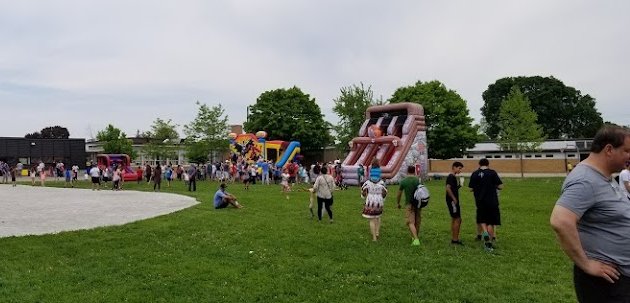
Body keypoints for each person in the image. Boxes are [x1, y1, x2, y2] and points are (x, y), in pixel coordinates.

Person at [550, 126, 630, 302]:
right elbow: (560, 221)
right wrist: (586, 264)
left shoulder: (604, 176)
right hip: (607, 283)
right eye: (627, 151)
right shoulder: (585, 180)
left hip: (618, 279)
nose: (629, 156)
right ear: (609, 149)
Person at [468, 158, 503, 252]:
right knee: (491, 221)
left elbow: (470, 188)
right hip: (492, 201)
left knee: (482, 219)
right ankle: (489, 243)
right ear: (488, 164)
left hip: (479, 201)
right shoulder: (492, 173)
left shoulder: (475, 173)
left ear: (479, 164)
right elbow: (500, 186)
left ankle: (485, 233)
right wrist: (492, 185)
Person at [361, 163, 387, 241]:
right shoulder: (382, 183)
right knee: (378, 217)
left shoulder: (367, 182)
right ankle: (377, 232)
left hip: (370, 201)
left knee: (372, 219)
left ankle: (374, 238)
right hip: (379, 202)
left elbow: (363, 192)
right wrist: (382, 198)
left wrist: (364, 195)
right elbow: (385, 193)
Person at [397, 165, 421, 246]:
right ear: (414, 171)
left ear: (407, 171)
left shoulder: (404, 181)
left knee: (410, 222)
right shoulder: (418, 180)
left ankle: (416, 239)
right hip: (418, 203)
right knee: (417, 221)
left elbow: (399, 194)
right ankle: (414, 236)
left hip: (409, 204)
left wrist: (398, 203)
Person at [446, 161, 464, 245]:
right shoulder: (451, 176)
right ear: (454, 167)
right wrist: (454, 198)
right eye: (459, 168)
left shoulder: (453, 177)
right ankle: (455, 240)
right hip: (452, 201)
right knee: (458, 219)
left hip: (453, 200)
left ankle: (454, 238)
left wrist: (459, 185)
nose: (460, 170)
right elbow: (448, 188)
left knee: (454, 218)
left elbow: (453, 188)